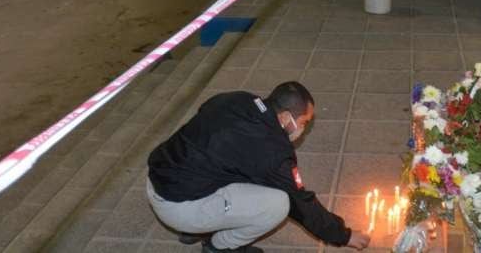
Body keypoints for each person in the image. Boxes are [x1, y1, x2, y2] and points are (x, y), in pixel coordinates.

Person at [146, 82, 371, 252]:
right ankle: (219, 246)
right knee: (278, 204)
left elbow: (205, 114)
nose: (304, 128)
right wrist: (343, 235)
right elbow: (300, 203)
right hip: (179, 207)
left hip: (158, 178)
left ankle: (197, 226)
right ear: (285, 118)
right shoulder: (273, 152)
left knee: (231, 162)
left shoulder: (237, 98)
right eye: (303, 122)